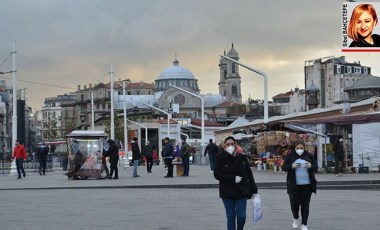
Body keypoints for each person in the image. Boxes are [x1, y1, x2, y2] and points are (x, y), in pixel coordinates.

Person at [214, 136, 258, 230]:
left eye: (232, 144)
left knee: (242, 216)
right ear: (224, 145)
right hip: (227, 191)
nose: (230, 146)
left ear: (235, 145)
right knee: (231, 217)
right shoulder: (220, 157)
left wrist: (254, 190)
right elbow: (217, 174)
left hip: (241, 191)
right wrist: (233, 178)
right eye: (228, 144)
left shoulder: (241, 157)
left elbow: (249, 174)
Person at [282, 141, 317, 230]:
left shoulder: (308, 155)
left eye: (301, 148)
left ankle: (304, 224)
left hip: (307, 185)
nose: (299, 150)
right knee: (294, 204)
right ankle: (295, 218)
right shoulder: (291, 156)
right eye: (297, 148)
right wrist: (291, 166)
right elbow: (284, 167)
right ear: (294, 148)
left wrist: (310, 166)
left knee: (305, 205)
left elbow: (316, 166)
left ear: (304, 148)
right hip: (293, 185)